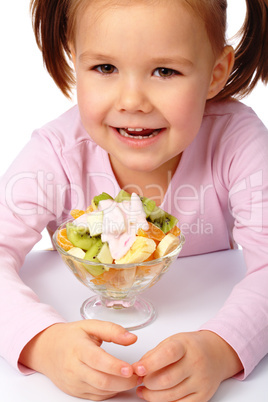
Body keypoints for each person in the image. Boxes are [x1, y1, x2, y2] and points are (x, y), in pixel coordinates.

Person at [0, 0, 267, 400]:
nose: (132, 101)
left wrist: (223, 347)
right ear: (75, 60)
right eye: (105, 68)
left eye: (165, 71)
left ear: (216, 73)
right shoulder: (56, 152)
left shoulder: (236, 141)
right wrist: (43, 342)